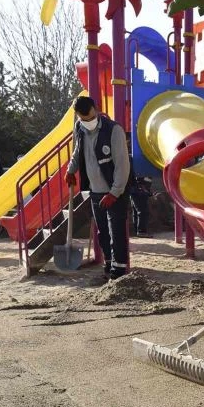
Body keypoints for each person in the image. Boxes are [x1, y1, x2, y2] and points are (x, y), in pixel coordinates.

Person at [64, 96, 131, 280]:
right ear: (78, 116)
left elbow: (122, 166)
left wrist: (114, 193)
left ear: (97, 108)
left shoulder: (114, 130)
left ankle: (119, 270)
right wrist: (71, 169)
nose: (88, 122)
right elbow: (78, 151)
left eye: (91, 118)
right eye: (84, 119)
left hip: (114, 191)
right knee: (103, 232)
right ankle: (109, 263)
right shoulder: (79, 128)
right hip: (95, 191)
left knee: (116, 232)